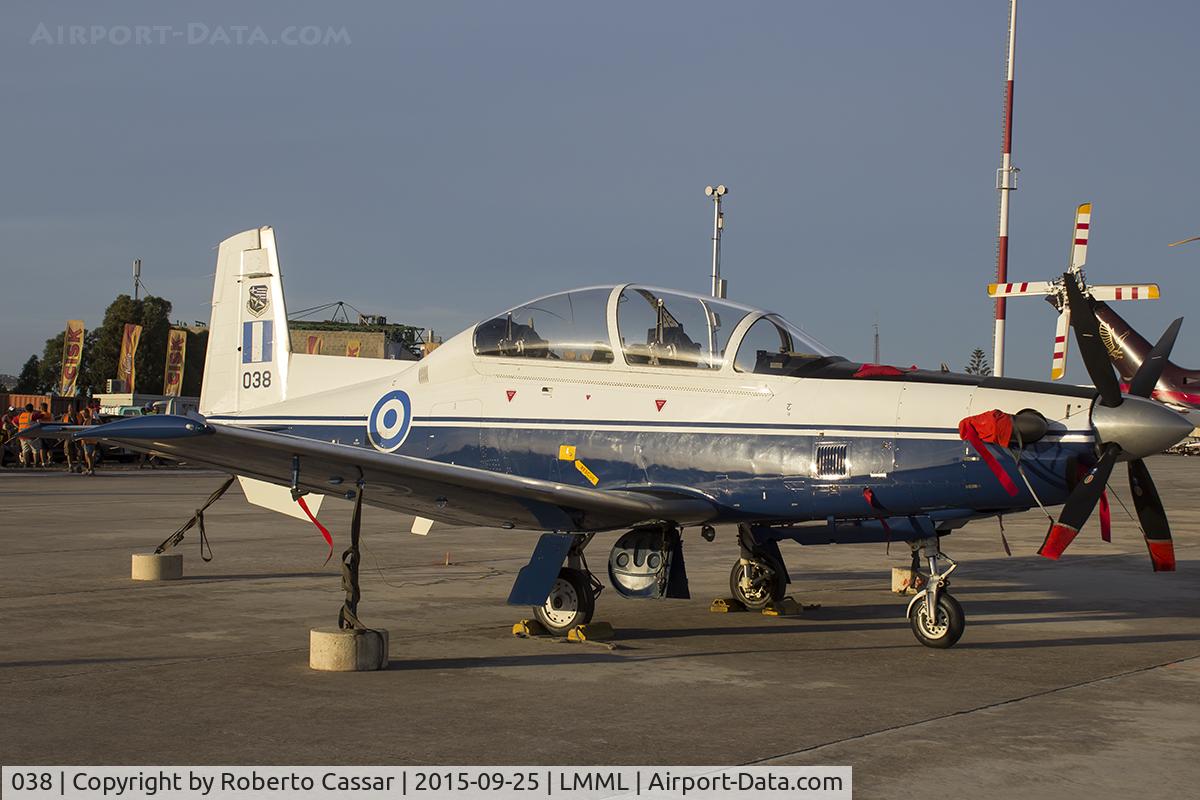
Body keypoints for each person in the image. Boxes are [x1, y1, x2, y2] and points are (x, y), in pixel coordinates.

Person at [16, 403, 44, 467]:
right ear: (32, 409)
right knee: (35, 450)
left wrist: (18, 427)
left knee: (25, 450)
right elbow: (41, 416)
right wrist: (40, 411)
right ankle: (36, 464)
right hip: (30, 436)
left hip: (22, 435)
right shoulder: (32, 415)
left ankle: (26, 464)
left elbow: (14, 421)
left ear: (25, 409)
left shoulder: (21, 415)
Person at [61, 407, 80, 472]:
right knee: (68, 451)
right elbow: (60, 425)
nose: (70, 410)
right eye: (69, 409)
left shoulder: (79, 416)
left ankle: (79, 465)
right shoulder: (64, 416)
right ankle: (70, 466)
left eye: (71, 409)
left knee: (79, 451)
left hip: (77, 436)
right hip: (68, 436)